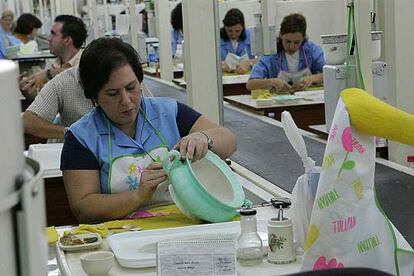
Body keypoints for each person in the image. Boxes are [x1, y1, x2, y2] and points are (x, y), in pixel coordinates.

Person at [60, 38, 237, 223]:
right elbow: (84, 207)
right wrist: (138, 195)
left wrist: (203, 138)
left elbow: (229, 140)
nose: (126, 101)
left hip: (182, 224)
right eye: (113, 94)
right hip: (121, 235)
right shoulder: (81, 138)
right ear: (93, 96)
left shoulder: (169, 113)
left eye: (131, 88)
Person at [246, 13, 325, 93]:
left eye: (297, 42)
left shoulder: (311, 50)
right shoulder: (271, 54)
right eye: (287, 41)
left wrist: (312, 78)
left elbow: (330, 74)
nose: (291, 47)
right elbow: (250, 84)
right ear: (281, 35)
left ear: (303, 38)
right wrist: (271, 82)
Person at [20, 14, 87, 102]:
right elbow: (45, 105)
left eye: (53, 34)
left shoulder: (86, 61)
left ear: (67, 40)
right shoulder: (53, 64)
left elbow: (79, 73)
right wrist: (27, 91)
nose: (48, 38)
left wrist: (49, 74)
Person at [220, 8, 255, 74]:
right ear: (225, 27)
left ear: (243, 27)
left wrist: (249, 63)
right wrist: (219, 65)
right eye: (229, 31)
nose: (233, 35)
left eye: (237, 31)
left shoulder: (252, 36)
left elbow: (263, 59)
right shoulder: (216, 40)